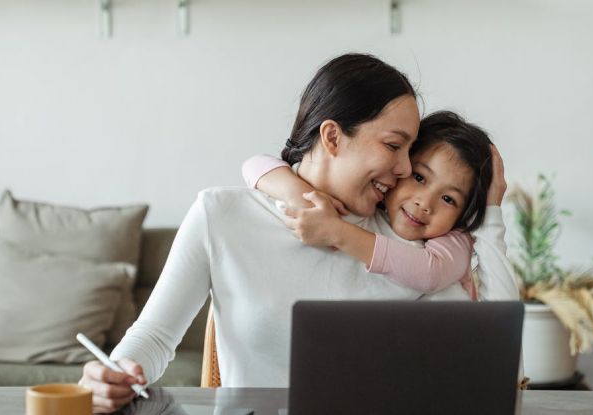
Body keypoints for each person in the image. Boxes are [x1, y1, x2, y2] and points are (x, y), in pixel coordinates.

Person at [79, 53, 519, 413]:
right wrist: (115, 372)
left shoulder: (412, 246)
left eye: (410, 151)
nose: (405, 170)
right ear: (332, 136)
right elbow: (155, 338)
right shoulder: (222, 215)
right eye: (392, 146)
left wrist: (493, 215)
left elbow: (495, 362)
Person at [241, 111, 496, 297]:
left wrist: (337, 232)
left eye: (449, 199)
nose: (425, 203)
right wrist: (300, 195)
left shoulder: (456, 239)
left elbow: (429, 273)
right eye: (419, 177)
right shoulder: (371, 205)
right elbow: (255, 164)